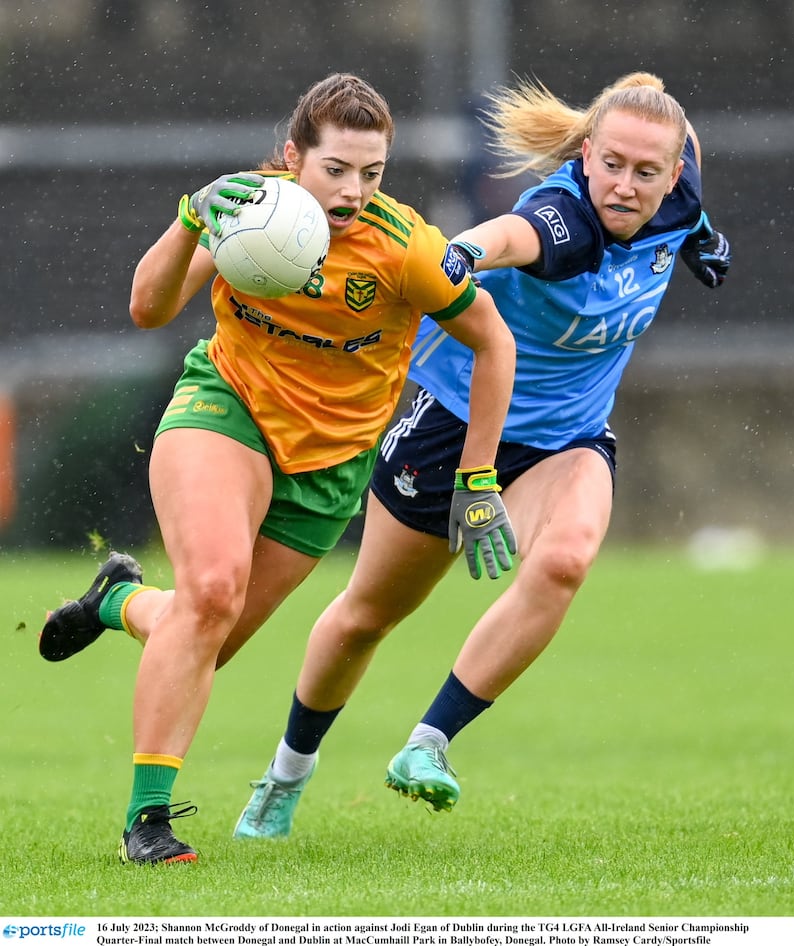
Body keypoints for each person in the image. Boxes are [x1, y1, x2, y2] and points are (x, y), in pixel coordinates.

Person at [227, 71, 731, 837]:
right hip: (454, 427)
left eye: (647, 172)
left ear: (674, 173)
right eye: (613, 165)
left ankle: (427, 745)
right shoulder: (563, 220)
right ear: (586, 155)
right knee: (367, 615)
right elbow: (508, 236)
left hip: (571, 439)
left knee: (565, 560)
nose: (626, 185)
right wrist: (459, 254)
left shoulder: (681, 178)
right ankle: (285, 774)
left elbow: (649, 91)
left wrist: (698, 236)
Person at [38, 73, 517, 864]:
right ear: (294, 156)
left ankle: (117, 597)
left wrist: (477, 479)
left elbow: (494, 343)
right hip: (224, 411)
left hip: (328, 470)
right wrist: (190, 219)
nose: (355, 190)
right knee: (213, 592)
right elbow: (148, 310)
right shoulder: (244, 209)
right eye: (337, 169)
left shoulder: (407, 249)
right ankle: (148, 823)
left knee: (204, 638)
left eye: (373, 173)